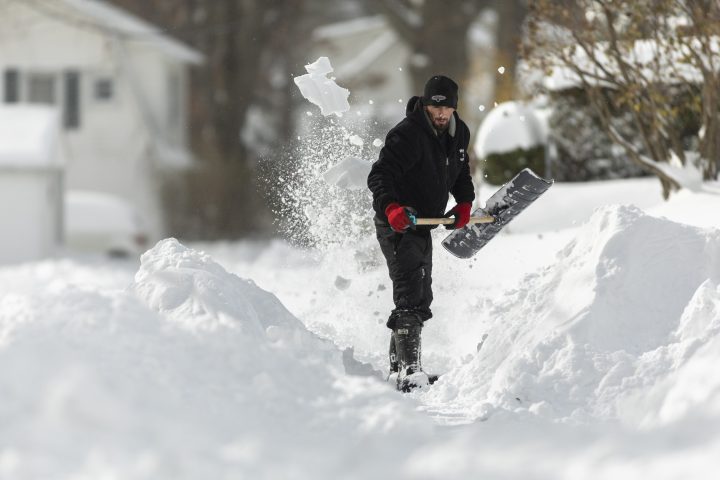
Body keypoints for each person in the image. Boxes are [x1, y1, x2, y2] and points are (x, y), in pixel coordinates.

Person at [367, 75, 475, 392]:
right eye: (434, 108)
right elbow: (380, 175)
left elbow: (460, 171)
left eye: (446, 109)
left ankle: (397, 369)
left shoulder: (459, 133)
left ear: (454, 108)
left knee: (420, 292)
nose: (440, 115)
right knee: (410, 292)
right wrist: (391, 208)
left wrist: (465, 202)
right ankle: (410, 372)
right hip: (398, 221)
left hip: (424, 223)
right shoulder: (407, 135)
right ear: (426, 105)